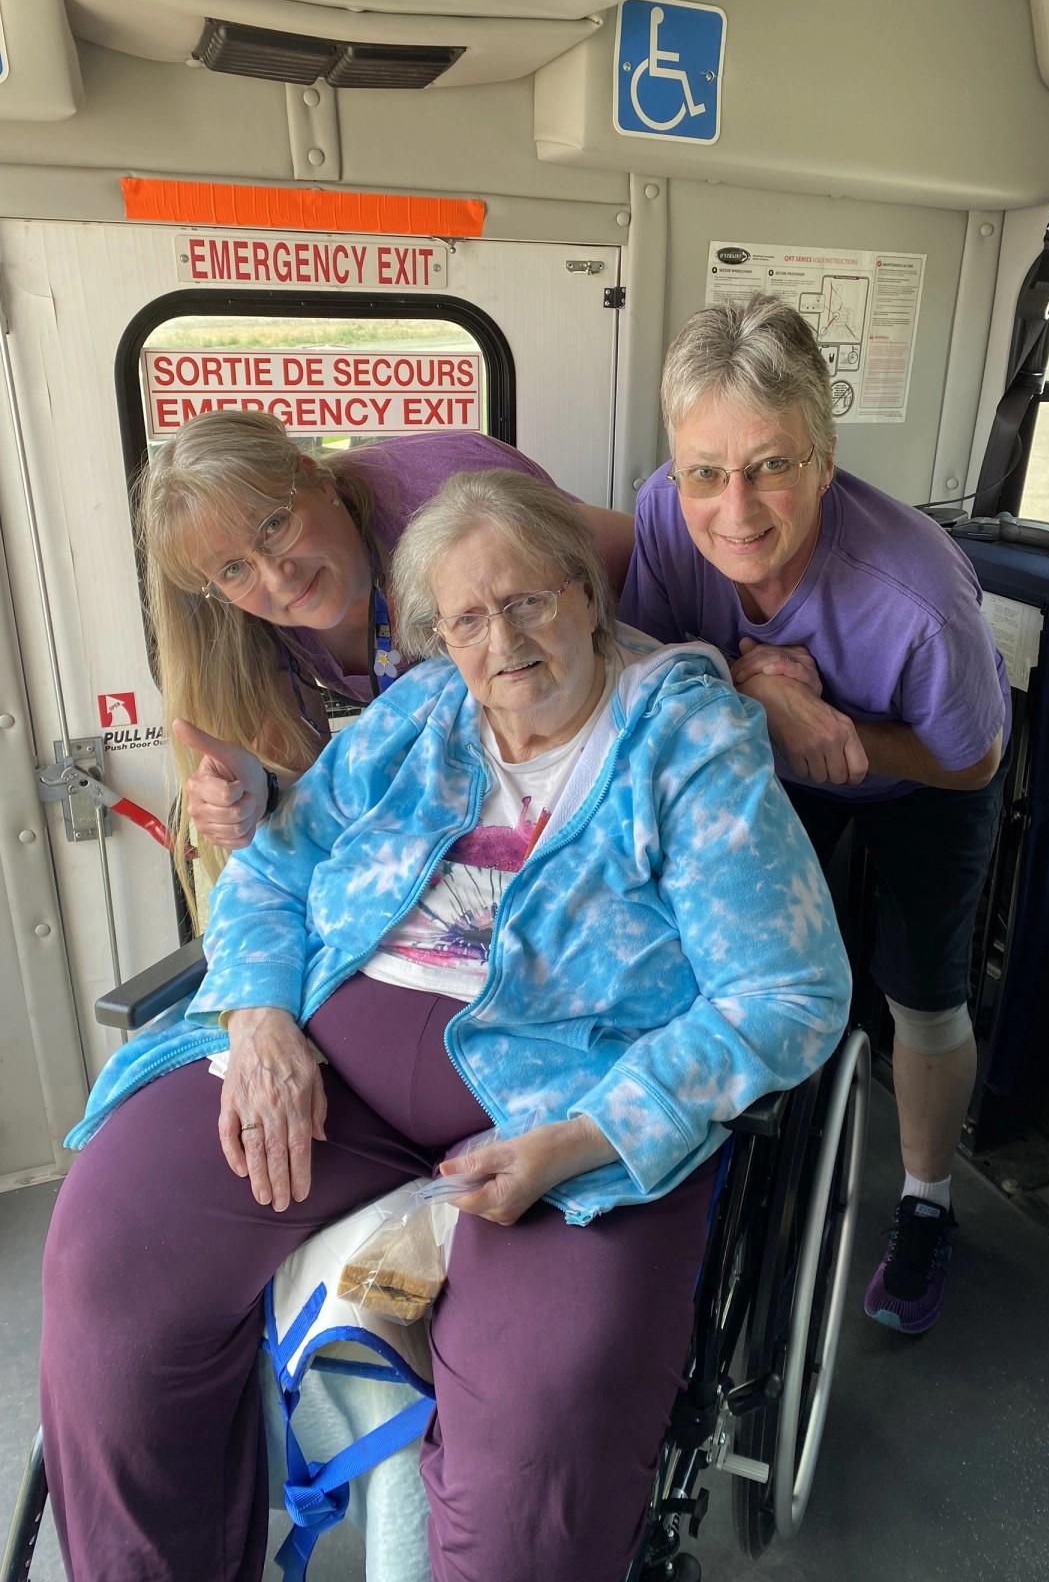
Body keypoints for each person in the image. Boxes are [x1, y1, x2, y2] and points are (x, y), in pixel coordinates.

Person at [42, 470, 851, 1582]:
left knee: (541, 1423)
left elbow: (787, 991)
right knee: (111, 1255)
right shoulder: (421, 715)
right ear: (435, 633)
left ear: (582, 590)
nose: (502, 641)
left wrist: (585, 1135)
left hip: (562, 1107)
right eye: (466, 618)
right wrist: (262, 1016)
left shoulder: (685, 738)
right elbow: (276, 870)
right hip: (332, 1060)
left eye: (526, 601)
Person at [620, 293, 1011, 1336]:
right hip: (778, 747)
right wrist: (757, 691)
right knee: (747, 955)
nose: (734, 508)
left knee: (922, 991)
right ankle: (734, 1162)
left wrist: (837, 728)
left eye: (771, 466)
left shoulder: (914, 598)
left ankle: (928, 1201)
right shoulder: (666, 509)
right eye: (708, 469)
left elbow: (974, 761)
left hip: (922, 769)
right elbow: (657, 673)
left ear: (824, 461)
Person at [137, 408, 633, 908]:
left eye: (274, 526)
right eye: (233, 569)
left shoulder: (442, 486)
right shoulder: (250, 627)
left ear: (315, 479)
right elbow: (322, 802)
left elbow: (629, 553)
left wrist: (670, 694)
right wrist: (261, 790)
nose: (277, 577)